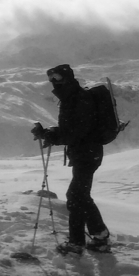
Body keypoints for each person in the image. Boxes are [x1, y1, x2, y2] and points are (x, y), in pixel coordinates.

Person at [32, 64, 112, 254]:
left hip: (87, 153)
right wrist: (50, 133)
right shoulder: (70, 98)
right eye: (51, 78)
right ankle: (93, 237)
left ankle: (86, 240)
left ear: (67, 76)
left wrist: (52, 136)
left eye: (57, 77)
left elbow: (78, 132)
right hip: (84, 153)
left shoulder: (79, 99)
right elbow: (71, 129)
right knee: (78, 196)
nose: (54, 81)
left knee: (77, 197)